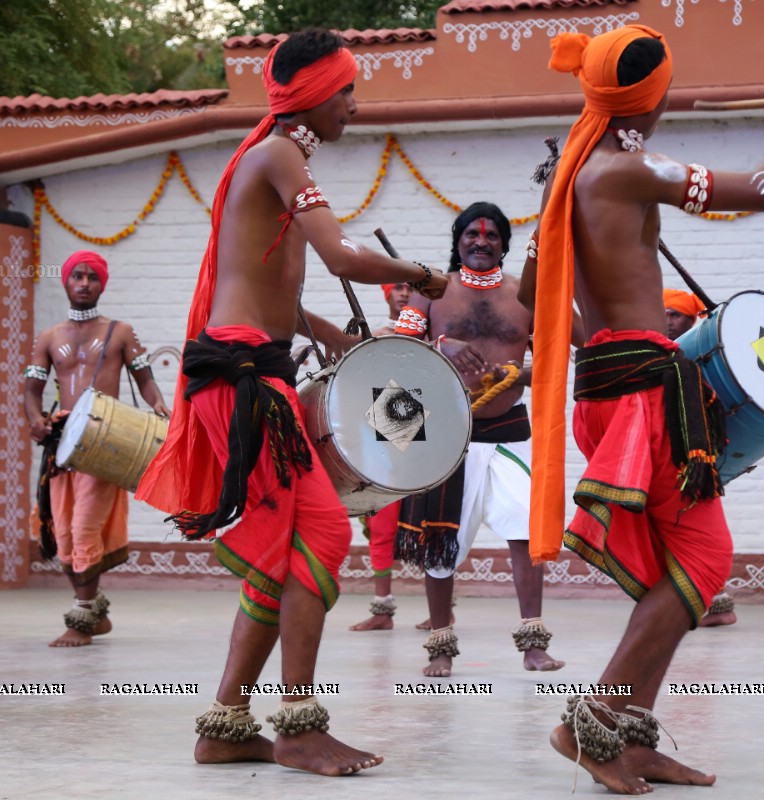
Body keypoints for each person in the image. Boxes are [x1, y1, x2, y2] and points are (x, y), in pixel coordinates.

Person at [519, 24, 764, 792]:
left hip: (605, 391)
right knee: (703, 560)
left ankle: (629, 735)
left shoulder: (570, 175)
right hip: (640, 400)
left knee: (674, 571)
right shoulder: (623, 168)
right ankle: (589, 724)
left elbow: (533, 297)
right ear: (646, 100)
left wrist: (608, 339)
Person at [134, 29, 447, 776]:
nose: (354, 106)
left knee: (284, 556)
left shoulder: (270, 158)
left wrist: (340, 338)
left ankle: (226, 725)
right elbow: (341, 256)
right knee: (324, 540)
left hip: (250, 367)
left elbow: (273, 287)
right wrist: (425, 276)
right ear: (312, 96)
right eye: (345, 92)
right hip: (244, 379)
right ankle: (299, 727)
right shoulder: (279, 155)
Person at [392, 201, 566, 676]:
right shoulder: (432, 291)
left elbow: (559, 357)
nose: (482, 242)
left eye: (492, 236)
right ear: (459, 239)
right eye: (472, 234)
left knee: (524, 534)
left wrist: (519, 373)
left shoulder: (525, 293)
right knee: (441, 541)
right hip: (450, 430)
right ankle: (440, 647)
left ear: (506, 245)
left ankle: (533, 642)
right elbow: (396, 353)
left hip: (510, 428)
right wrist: (442, 345)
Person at [24, 250, 169, 647]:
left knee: (85, 525)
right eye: (77, 276)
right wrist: (35, 420)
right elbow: (32, 391)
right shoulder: (49, 337)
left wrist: (157, 404)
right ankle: (95, 609)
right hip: (61, 444)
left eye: (92, 277)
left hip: (105, 442)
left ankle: (83, 618)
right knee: (62, 528)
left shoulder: (120, 331)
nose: (84, 283)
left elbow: (145, 380)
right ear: (66, 282)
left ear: (102, 284)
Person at [662, 289, 736, 627]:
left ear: (692, 320)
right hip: (674, 451)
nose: (668, 321)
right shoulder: (664, 353)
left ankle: (708, 602)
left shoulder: (699, 352)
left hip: (696, 455)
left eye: (675, 315)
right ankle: (714, 602)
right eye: (663, 313)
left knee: (691, 524)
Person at [348, 282, 412, 632]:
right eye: (397, 287)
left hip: (425, 440)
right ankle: (383, 609)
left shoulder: (434, 334)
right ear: (386, 293)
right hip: (384, 431)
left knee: (432, 524)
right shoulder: (374, 335)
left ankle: (443, 608)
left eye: (410, 288)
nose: (403, 294)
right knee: (382, 524)